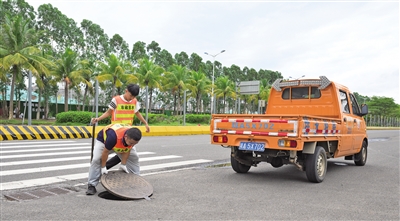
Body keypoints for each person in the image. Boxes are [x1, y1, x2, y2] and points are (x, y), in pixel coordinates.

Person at [91, 84, 150, 169]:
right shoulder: (116, 100)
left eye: (134, 96)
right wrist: (98, 119)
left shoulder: (134, 101)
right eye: (131, 95)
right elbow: (108, 112)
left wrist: (145, 123)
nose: (132, 98)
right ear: (126, 91)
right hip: (115, 132)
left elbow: (137, 113)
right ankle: (100, 171)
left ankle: (111, 167)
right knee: (103, 154)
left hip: (127, 133)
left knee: (129, 154)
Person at [86, 123, 142, 195]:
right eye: (131, 143)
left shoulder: (131, 138)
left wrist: (123, 164)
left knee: (134, 157)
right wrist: (103, 167)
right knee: (96, 159)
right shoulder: (113, 137)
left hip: (121, 142)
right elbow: (105, 152)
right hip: (104, 142)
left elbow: (127, 149)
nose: (133, 145)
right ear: (126, 137)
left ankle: (136, 180)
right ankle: (91, 185)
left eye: (135, 143)